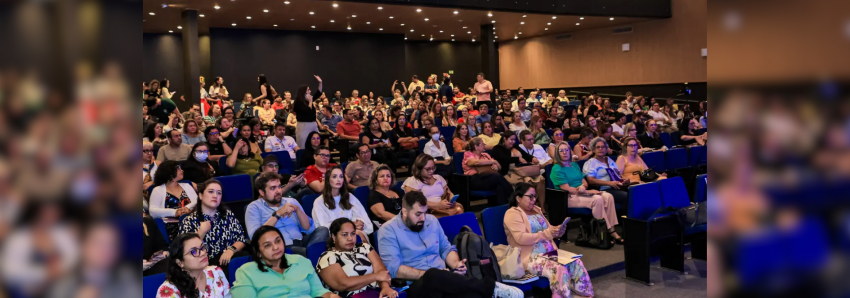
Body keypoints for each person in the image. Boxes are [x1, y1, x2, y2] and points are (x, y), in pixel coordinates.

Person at [377, 191, 523, 298]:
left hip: (445, 278)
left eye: (425, 212)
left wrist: (456, 264)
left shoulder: (432, 221)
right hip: (416, 285)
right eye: (418, 214)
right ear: (404, 212)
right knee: (433, 275)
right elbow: (394, 269)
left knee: (473, 296)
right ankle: (491, 287)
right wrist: (432, 274)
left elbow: (445, 248)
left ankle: (488, 290)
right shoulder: (388, 230)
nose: (423, 218)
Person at [503, 183, 594, 298]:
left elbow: (548, 231)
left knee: (576, 262)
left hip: (549, 253)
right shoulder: (512, 213)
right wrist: (546, 234)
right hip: (530, 256)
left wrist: (556, 232)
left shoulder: (537, 210)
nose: (534, 199)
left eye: (535, 196)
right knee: (558, 269)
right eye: (530, 197)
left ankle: (586, 295)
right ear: (518, 198)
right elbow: (521, 238)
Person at [232, 226, 340, 298]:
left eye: (278, 241)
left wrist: (331, 296)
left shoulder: (301, 261)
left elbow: (318, 291)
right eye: (267, 245)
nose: (275, 247)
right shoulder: (246, 271)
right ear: (258, 252)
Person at [551, 142, 622, 244]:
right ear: (557, 154)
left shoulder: (574, 165)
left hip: (581, 192)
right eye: (561, 150)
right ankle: (602, 232)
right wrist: (587, 191)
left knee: (608, 196)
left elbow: (584, 181)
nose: (564, 152)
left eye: (566, 150)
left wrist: (583, 187)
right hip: (568, 197)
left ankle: (611, 230)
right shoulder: (556, 168)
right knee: (597, 199)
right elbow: (566, 188)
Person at [245, 172, 326, 257]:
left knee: (322, 230)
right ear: (262, 192)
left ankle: (312, 254)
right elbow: (256, 237)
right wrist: (278, 214)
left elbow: (308, 229)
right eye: (273, 188)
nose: (278, 191)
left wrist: (298, 210)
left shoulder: (291, 201)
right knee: (314, 252)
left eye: (279, 186)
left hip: (301, 242)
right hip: (280, 248)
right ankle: (314, 255)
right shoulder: (254, 207)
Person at [316, 218, 398, 298]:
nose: (350, 238)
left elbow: (381, 271)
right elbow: (343, 284)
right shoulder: (327, 257)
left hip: (376, 292)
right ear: (334, 237)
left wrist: (385, 288)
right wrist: (375, 276)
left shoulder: (364, 247)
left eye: (353, 234)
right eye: (345, 235)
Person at [179, 179, 248, 271]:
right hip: (205, 265)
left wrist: (230, 250)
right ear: (200, 195)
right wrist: (201, 232)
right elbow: (185, 251)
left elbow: (241, 239)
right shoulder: (189, 221)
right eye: (211, 192)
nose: (215, 196)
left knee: (244, 257)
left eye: (219, 193)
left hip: (228, 260)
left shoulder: (227, 215)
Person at [155, 233, 230, 298]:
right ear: (180, 262)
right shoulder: (169, 291)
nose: (203, 253)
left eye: (202, 248)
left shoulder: (216, 272)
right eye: (194, 251)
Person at [312, 166, 374, 237]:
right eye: (334, 177)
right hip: (335, 237)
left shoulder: (350, 197)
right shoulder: (319, 202)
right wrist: (350, 226)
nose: (338, 179)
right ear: (328, 180)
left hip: (356, 232)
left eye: (341, 176)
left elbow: (362, 216)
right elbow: (324, 228)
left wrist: (360, 223)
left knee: (359, 234)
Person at [149, 161, 198, 240]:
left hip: (191, 223)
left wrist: (188, 208)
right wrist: (175, 212)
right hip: (170, 227)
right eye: (178, 169)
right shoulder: (158, 190)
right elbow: (152, 211)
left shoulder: (187, 186)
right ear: (170, 173)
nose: (182, 170)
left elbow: (197, 201)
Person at [462, 137, 513, 206]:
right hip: (474, 180)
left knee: (500, 187)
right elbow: (476, 163)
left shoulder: (485, 155)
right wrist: (492, 162)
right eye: (482, 144)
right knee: (498, 178)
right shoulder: (468, 154)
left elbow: (499, 167)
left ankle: (501, 209)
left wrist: (496, 167)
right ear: (476, 146)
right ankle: (514, 198)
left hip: (489, 177)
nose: (484, 145)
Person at [582, 137, 629, 209]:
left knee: (635, 193)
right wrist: (609, 183)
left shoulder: (609, 160)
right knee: (627, 196)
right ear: (593, 149)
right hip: (603, 189)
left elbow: (617, 175)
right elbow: (591, 180)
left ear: (606, 149)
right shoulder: (590, 163)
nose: (600, 149)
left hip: (616, 187)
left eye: (603, 147)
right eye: (598, 147)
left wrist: (623, 180)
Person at [293, 75, 324, 148]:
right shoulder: (298, 102)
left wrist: (320, 82)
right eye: (308, 90)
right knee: (303, 143)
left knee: (316, 143)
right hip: (303, 125)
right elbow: (307, 111)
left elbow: (319, 93)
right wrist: (310, 102)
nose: (310, 91)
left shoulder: (309, 99)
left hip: (313, 124)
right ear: (303, 92)